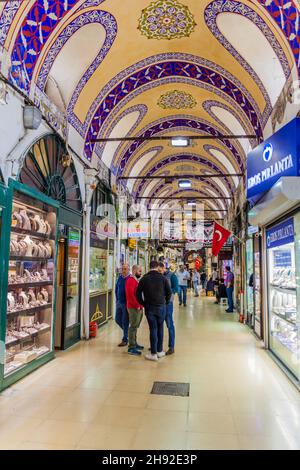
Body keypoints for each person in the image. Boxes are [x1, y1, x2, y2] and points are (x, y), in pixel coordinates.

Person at [136, 260, 172, 361]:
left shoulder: (144, 279)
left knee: (153, 329)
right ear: (157, 267)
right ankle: (160, 351)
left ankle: (153, 354)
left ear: (149, 266)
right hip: (161, 307)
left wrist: (143, 303)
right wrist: (165, 302)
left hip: (150, 307)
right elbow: (169, 293)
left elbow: (137, 294)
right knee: (160, 328)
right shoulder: (163, 278)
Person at [160, 262, 179, 355]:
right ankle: (157, 345)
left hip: (168, 304)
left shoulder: (172, 276)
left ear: (164, 268)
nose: (159, 272)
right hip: (158, 304)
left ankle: (171, 347)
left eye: (160, 270)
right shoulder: (158, 276)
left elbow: (176, 288)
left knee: (169, 325)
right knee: (158, 325)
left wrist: (167, 292)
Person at [125, 265, 144, 356]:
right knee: (133, 326)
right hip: (133, 307)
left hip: (138, 307)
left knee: (135, 326)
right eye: (140, 271)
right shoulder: (130, 281)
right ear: (135, 271)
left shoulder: (135, 280)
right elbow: (130, 296)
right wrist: (137, 305)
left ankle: (134, 343)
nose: (141, 273)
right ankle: (131, 347)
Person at [115, 263, 130, 346]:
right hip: (119, 303)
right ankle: (128, 333)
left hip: (126, 304)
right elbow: (116, 288)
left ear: (128, 269)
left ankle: (125, 339)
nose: (123, 270)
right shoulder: (120, 277)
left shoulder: (130, 278)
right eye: (122, 269)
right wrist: (117, 300)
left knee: (125, 321)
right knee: (117, 319)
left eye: (125, 269)